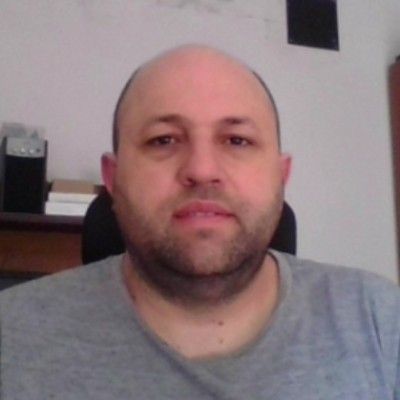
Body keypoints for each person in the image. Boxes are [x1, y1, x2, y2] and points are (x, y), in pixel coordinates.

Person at [1, 45, 399, 399]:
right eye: (164, 140)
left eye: (237, 140)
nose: (202, 170)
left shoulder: (381, 320)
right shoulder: (11, 337)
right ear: (113, 179)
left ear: (281, 178)